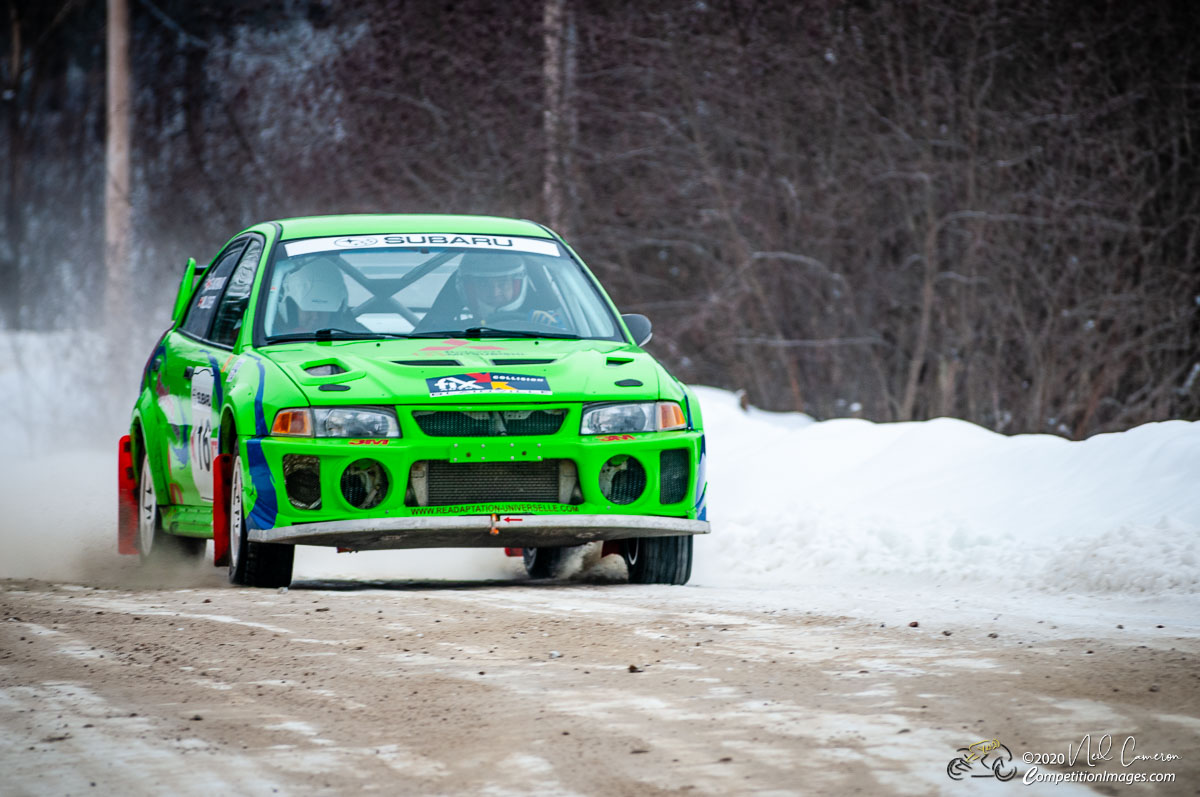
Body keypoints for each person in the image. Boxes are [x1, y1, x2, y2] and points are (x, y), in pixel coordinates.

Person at [441, 252, 567, 330]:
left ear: (517, 285)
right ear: (469, 288)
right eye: (484, 283)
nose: (495, 292)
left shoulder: (544, 321)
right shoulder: (445, 331)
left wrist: (549, 327)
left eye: (503, 282)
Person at [273, 256, 366, 335]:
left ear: (335, 312)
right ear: (291, 308)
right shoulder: (266, 336)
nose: (315, 317)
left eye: (323, 310)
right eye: (308, 310)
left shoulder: (354, 335)